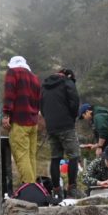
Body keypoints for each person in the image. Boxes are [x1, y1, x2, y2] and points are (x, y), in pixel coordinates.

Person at [40, 67, 83, 198]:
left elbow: (41, 105)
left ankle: (57, 191)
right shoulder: (67, 82)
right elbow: (75, 102)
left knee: (55, 158)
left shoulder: (45, 86)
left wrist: (48, 120)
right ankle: (72, 189)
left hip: (51, 127)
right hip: (66, 125)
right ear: (69, 76)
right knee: (74, 156)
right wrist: (72, 118)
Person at [2, 55, 41, 187]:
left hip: (20, 121)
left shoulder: (13, 72)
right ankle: (34, 189)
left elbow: (9, 94)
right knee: (31, 157)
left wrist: (6, 114)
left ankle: (29, 188)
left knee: (21, 155)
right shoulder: (34, 77)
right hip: (34, 122)